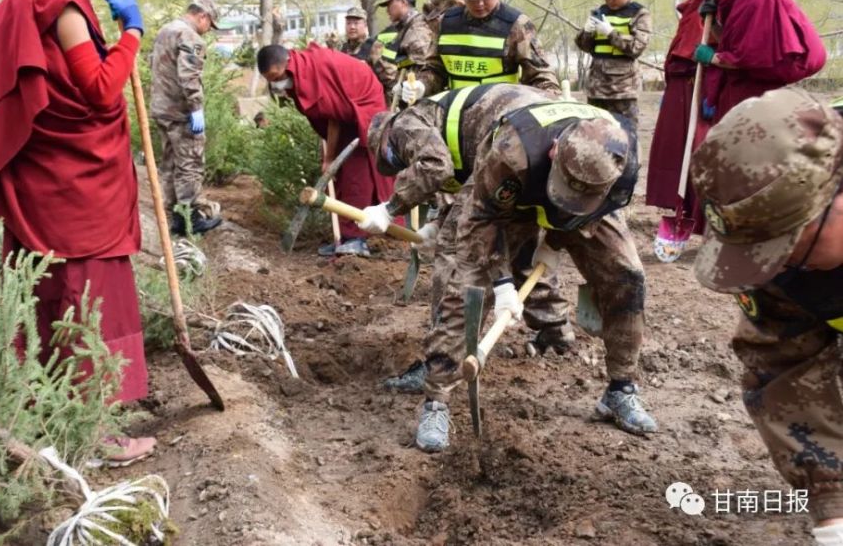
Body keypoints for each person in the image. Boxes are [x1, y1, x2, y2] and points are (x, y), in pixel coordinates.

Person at [0, 0, 155, 463]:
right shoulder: (63, 1)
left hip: (41, 180)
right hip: (76, 194)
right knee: (86, 301)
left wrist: (0, 164)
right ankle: (94, 435)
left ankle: (50, 416)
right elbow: (97, 91)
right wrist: (132, 35)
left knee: (49, 301)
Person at [415, 98, 656, 451]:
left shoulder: (622, 162)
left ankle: (621, 390)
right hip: (508, 201)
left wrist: (555, 243)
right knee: (465, 289)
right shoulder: (512, 152)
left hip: (586, 209)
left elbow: (593, 209)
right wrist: (502, 284)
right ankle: (436, 400)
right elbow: (481, 220)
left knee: (628, 276)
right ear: (556, 150)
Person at [690, 88, 843, 545]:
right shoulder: (775, 252)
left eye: (786, 248)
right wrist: (832, 505)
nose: (773, 268)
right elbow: (785, 366)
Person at [364, 84, 572, 392]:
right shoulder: (441, 115)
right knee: (520, 247)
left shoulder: (404, 125)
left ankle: (440, 360)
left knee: (455, 256)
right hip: (536, 142)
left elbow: (436, 166)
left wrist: (389, 208)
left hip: (512, 144)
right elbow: (462, 183)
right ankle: (554, 330)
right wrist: (438, 223)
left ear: (385, 142)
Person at [257, 42, 394, 258]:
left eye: (276, 77)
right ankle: (344, 237)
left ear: (287, 62)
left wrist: (329, 158)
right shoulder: (300, 70)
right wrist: (328, 156)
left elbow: (333, 116)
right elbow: (326, 113)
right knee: (341, 175)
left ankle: (356, 239)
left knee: (355, 175)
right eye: (270, 80)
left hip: (363, 105)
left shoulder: (312, 68)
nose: (275, 84)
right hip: (345, 110)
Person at [695, 0, 825, 123]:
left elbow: (751, 57)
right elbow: (734, 43)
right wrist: (713, 21)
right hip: (744, 83)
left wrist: (713, 58)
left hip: (758, 88)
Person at [411, 0, 560, 109]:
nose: (479, 4)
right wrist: (421, 86)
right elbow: (435, 70)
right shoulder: (445, 24)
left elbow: (541, 75)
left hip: (501, 114)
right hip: (454, 111)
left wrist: (550, 104)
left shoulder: (517, 25)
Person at [646, 0, 720, 260]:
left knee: (700, 156)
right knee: (677, 156)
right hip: (680, 88)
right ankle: (680, 212)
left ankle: (708, 225)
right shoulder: (693, 8)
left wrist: (707, 93)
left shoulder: (718, 4)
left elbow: (714, 47)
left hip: (698, 87)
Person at [150, 0, 225, 236]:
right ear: (202, 16)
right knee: (190, 164)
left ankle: (173, 217)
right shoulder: (189, 36)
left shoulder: (166, 30)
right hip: (180, 113)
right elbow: (189, 76)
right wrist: (196, 109)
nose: (208, 31)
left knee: (170, 164)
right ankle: (189, 218)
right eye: (209, 25)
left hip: (161, 109)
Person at [574, 0, 651, 126]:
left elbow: (637, 47)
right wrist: (586, 32)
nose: (609, 0)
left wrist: (611, 33)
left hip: (623, 90)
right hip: (597, 88)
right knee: (594, 136)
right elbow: (585, 46)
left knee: (625, 136)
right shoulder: (600, 12)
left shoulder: (639, 13)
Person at [371, 0, 445, 107]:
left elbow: (425, 69)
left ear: (403, 2)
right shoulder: (405, 28)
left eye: (390, 4)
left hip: (420, 102)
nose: (387, 10)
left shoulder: (417, 29)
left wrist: (402, 84)